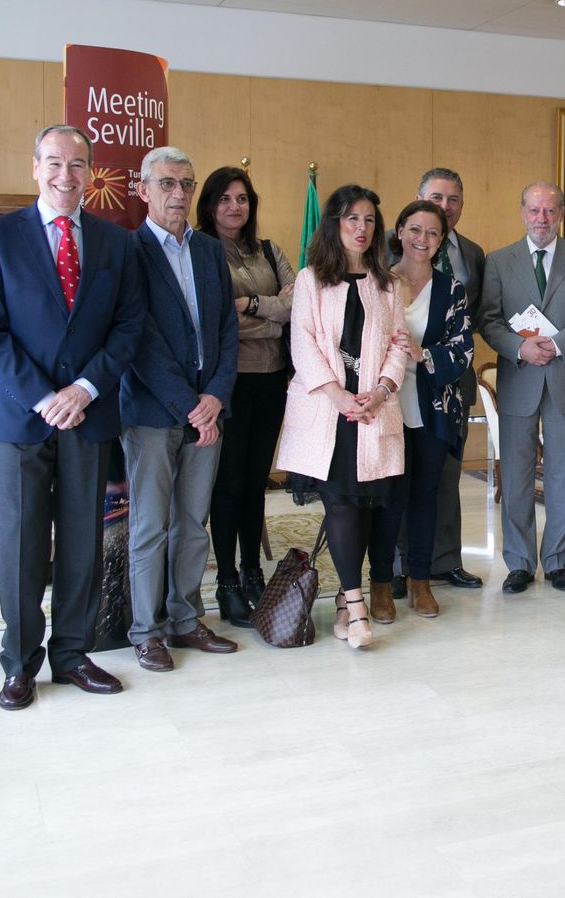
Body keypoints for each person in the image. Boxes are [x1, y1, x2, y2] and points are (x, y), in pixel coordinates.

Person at [0, 124, 144, 710]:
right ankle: (19, 664)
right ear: (34, 167)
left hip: (89, 415)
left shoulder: (114, 243)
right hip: (22, 417)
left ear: (90, 173)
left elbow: (127, 327)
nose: (65, 175)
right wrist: (46, 396)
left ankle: (72, 653)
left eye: (77, 165)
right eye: (53, 162)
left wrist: (85, 389)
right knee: (20, 544)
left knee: (81, 542)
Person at [120, 147, 240, 672]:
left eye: (186, 184)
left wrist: (215, 397)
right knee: (150, 524)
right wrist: (193, 405)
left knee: (193, 522)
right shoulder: (127, 251)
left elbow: (227, 332)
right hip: (152, 412)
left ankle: (186, 619)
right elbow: (138, 339)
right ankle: (146, 632)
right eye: (166, 183)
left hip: (206, 413)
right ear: (143, 190)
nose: (178, 194)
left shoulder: (211, 252)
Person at [274, 185, 407, 650]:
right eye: (352, 219)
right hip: (328, 413)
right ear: (334, 224)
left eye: (370, 220)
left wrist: (380, 390)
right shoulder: (312, 279)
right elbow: (302, 343)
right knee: (341, 505)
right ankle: (357, 606)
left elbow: (398, 345)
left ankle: (345, 598)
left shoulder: (387, 282)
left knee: (368, 509)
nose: (361, 228)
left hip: (371, 413)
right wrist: (337, 395)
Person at [477, 181, 565, 594]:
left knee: (563, 475)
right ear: (522, 212)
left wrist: (555, 344)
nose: (542, 219)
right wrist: (520, 347)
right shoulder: (499, 261)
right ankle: (518, 563)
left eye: (550, 211)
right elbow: (489, 320)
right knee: (514, 475)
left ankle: (557, 563)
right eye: (534, 210)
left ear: (561, 214)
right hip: (518, 378)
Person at [195, 166, 295, 628]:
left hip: (273, 380)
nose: (235, 207)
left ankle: (255, 570)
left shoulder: (270, 250)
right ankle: (228, 580)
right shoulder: (201, 250)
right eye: (225, 199)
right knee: (229, 483)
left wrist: (252, 306)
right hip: (227, 382)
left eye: (243, 198)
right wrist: (271, 315)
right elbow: (216, 322)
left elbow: (297, 306)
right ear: (210, 204)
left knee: (258, 482)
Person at [370, 200, 474, 618]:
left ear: (441, 240)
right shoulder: (376, 283)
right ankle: (380, 584)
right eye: (415, 230)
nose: (422, 239)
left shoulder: (452, 290)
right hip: (385, 408)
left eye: (433, 233)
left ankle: (419, 581)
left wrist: (423, 354)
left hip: (433, 409)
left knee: (424, 497)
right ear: (399, 231)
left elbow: (463, 349)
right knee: (387, 499)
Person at [415, 168, 486, 592]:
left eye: (453, 199)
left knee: (446, 475)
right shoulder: (393, 245)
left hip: (453, 381)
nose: (445, 207)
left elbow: (475, 316)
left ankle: (444, 560)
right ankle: (405, 564)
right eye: (436, 197)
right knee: (404, 475)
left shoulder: (474, 253)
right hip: (403, 381)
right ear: (419, 198)